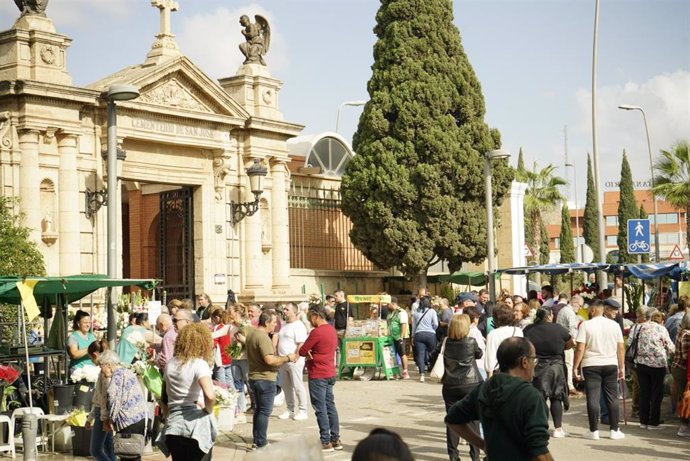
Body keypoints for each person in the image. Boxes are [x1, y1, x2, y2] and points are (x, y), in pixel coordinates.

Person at [446, 337, 554, 461]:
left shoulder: (484, 388)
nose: (534, 364)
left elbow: (452, 418)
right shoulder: (531, 396)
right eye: (533, 359)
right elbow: (539, 451)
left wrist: (483, 444)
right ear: (524, 362)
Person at [159, 323, 217, 461]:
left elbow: (164, 398)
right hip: (195, 425)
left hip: (174, 424)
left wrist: (168, 417)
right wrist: (209, 410)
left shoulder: (170, 364)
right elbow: (209, 395)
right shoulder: (199, 364)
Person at [573, 299, 625, 440]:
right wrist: (621, 366)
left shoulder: (585, 325)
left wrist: (575, 367)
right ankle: (614, 430)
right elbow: (620, 347)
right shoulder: (614, 325)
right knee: (612, 397)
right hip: (610, 363)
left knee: (593, 397)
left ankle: (593, 430)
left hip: (591, 364)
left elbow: (580, 348)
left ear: (594, 310)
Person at [246, 310, 297, 450]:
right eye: (274, 322)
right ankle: (261, 442)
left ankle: (257, 440)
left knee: (258, 410)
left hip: (255, 378)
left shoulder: (252, 334)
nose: (275, 325)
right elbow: (270, 359)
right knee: (264, 411)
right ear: (267, 322)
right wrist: (287, 358)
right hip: (264, 379)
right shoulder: (262, 337)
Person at [523, 307, 574, 438]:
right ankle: (558, 429)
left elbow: (525, 345)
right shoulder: (559, 329)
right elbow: (570, 343)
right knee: (556, 397)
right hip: (556, 365)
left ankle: (542, 427)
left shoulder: (529, 329)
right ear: (550, 316)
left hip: (537, 365)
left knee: (541, 398)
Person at [299, 304, 342, 453]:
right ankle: (335, 438)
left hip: (318, 373)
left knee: (320, 408)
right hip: (329, 372)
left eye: (311, 317)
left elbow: (303, 350)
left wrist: (310, 353)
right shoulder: (331, 330)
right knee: (330, 406)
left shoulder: (316, 332)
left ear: (316, 316)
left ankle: (325, 440)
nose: (310, 320)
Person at [442, 314, 483, 461]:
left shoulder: (446, 342)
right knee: (473, 420)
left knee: (452, 420)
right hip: (470, 383)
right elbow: (479, 354)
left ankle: (453, 455)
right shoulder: (471, 341)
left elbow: (434, 356)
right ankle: (475, 455)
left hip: (450, 384)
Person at [629, 308, 674, 430]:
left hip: (641, 364)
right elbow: (670, 347)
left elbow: (629, 344)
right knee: (656, 393)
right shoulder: (661, 329)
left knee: (644, 392)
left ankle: (643, 421)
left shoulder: (637, 327)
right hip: (658, 365)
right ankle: (653, 422)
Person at [99, 350, 147, 461]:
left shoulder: (117, 376)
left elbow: (113, 399)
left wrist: (109, 420)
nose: (101, 371)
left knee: (127, 455)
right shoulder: (127, 372)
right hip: (139, 418)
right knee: (134, 454)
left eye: (101, 366)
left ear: (108, 365)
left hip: (128, 421)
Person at [277, 302, 309, 421]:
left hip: (294, 360)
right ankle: (290, 409)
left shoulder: (298, 325)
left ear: (294, 311)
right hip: (283, 359)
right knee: (286, 386)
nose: (284, 311)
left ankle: (302, 409)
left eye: (287, 309)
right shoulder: (284, 324)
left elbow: (301, 343)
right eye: (284, 309)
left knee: (297, 385)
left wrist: (296, 356)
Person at [85, 340, 115, 461]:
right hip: (105, 412)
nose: (92, 362)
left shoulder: (104, 372)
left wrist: (101, 418)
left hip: (102, 413)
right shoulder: (108, 369)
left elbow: (102, 398)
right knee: (109, 447)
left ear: (96, 354)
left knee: (95, 450)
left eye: (91, 358)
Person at [484, 303, 523, 378]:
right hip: (516, 370)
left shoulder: (493, 334)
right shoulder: (518, 331)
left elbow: (490, 361)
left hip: (500, 373)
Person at [556, 294, 584, 397]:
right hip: (567, 343)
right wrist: (577, 343)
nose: (580, 308)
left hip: (562, 341)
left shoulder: (564, 310)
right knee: (569, 365)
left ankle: (568, 385)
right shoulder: (569, 312)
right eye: (580, 305)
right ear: (575, 303)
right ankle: (570, 386)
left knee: (567, 364)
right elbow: (573, 330)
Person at [412, 295, 439, 382]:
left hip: (418, 334)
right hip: (430, 334)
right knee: (433, 353)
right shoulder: (432, 311)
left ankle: (422, 374)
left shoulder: (416, 312)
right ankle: (432, 371)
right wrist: (432, 329)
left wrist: (413, 336)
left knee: (420, 354)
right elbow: (436, 324)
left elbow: (414, 325)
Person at [672, 312, 690, 436]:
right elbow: (686, 356)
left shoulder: (681, 332)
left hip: (678, 367)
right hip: (682, 368)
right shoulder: (687, 335)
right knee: (685, 396)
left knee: (682, 395)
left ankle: (681, 420)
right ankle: (684, 424)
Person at [388, 297, 410, 379]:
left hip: (399, 337)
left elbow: (403, 324)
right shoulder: (391, 312)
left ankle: (405, 371)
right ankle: (395, 373)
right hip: (392, 337)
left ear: (393, 303)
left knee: (402, 353)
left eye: (388, 304)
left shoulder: (401, 312)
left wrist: (401, 337)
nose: (387, 305)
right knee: (393, 355)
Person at [210, 308, 233, 386]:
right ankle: (233, 396)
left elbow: (214, 342)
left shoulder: (217, 328)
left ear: (216, 318)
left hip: (220, 359)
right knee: (230, 382)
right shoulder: (227, 327)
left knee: (221, 384)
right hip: (228, 358)